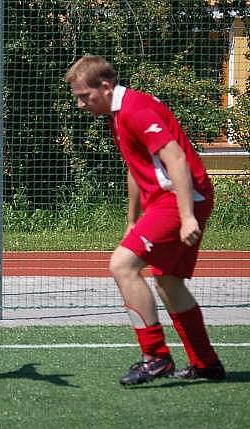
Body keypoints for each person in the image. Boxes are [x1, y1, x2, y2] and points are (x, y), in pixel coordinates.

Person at [65, 55, 225, 386]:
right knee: (168, 282)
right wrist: (132, 220)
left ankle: (155, 357)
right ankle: (206, 363)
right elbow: (136, 168)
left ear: (106, 87)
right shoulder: (117, 114)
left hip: (178, 199)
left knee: (122, 266)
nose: (81, 105)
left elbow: (176, 160)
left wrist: (186, 217)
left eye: (85, 96)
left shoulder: (136, 110)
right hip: (167, 202)